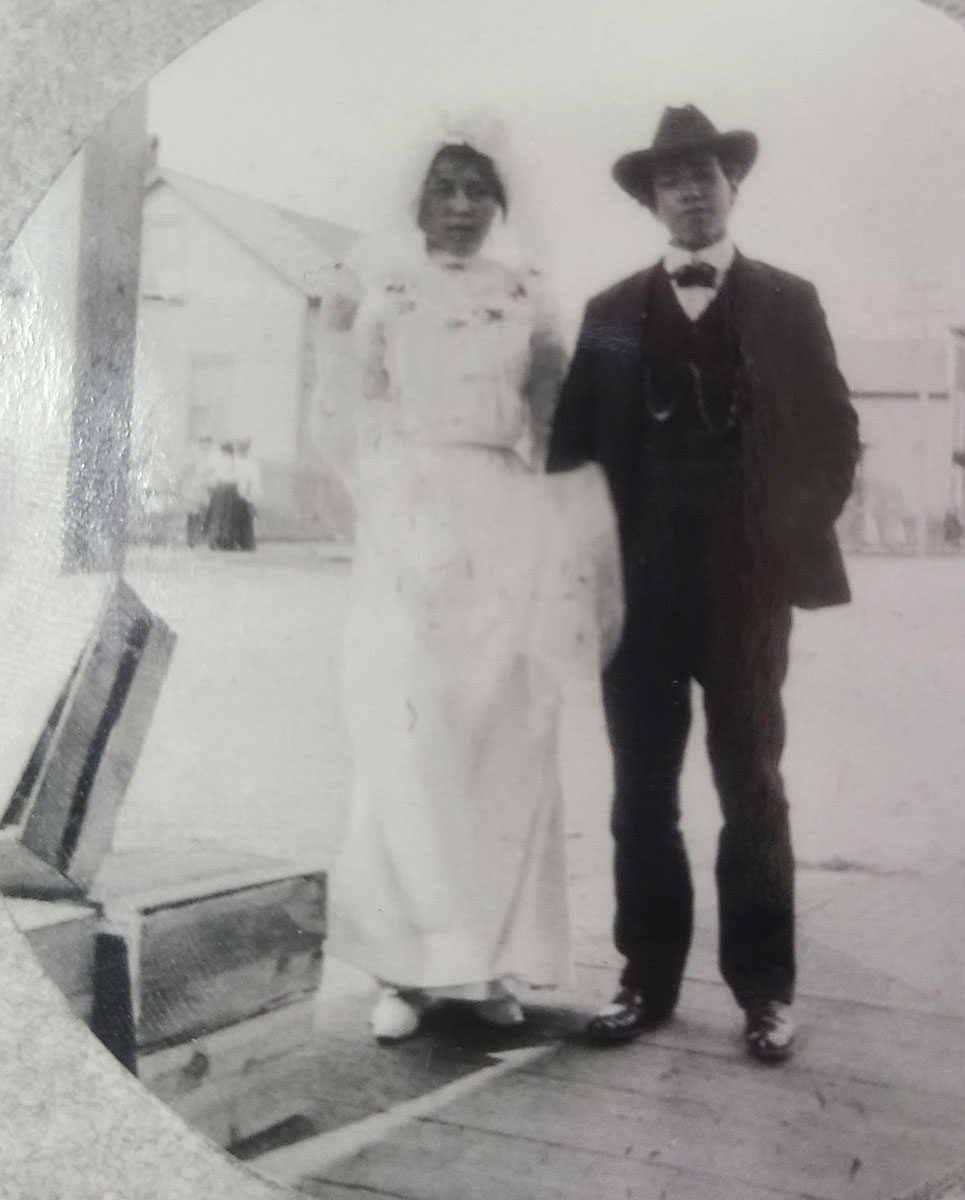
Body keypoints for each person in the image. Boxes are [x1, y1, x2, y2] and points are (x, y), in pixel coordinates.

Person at [548, 105, 860, 1063]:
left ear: (732, 187)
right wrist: (588, 572)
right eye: (670, 179)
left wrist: (781, 534)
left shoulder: (788, 301)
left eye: (705, 174)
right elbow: (571, 455)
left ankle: (766, 993)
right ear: (651, 199)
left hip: (746, 595)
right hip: (635, 601)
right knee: (641, 793)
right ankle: (645, 979)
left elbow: (834, 438)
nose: (689, 190)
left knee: (751, 786)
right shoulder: (606, 315)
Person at [311, 117, 621, 1042]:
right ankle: (406, 970)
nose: (460, 207)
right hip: (407, 516)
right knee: (411, 731)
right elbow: (350, 417)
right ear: (417, 200)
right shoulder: (383, 294)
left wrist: (559, 545)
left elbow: (554, 429)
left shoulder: (531, 297)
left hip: (503, 517)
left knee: (504, 734)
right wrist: (393, 511)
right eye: (444, 188)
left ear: (501, 202)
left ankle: (484, 962)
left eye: (477, 190)